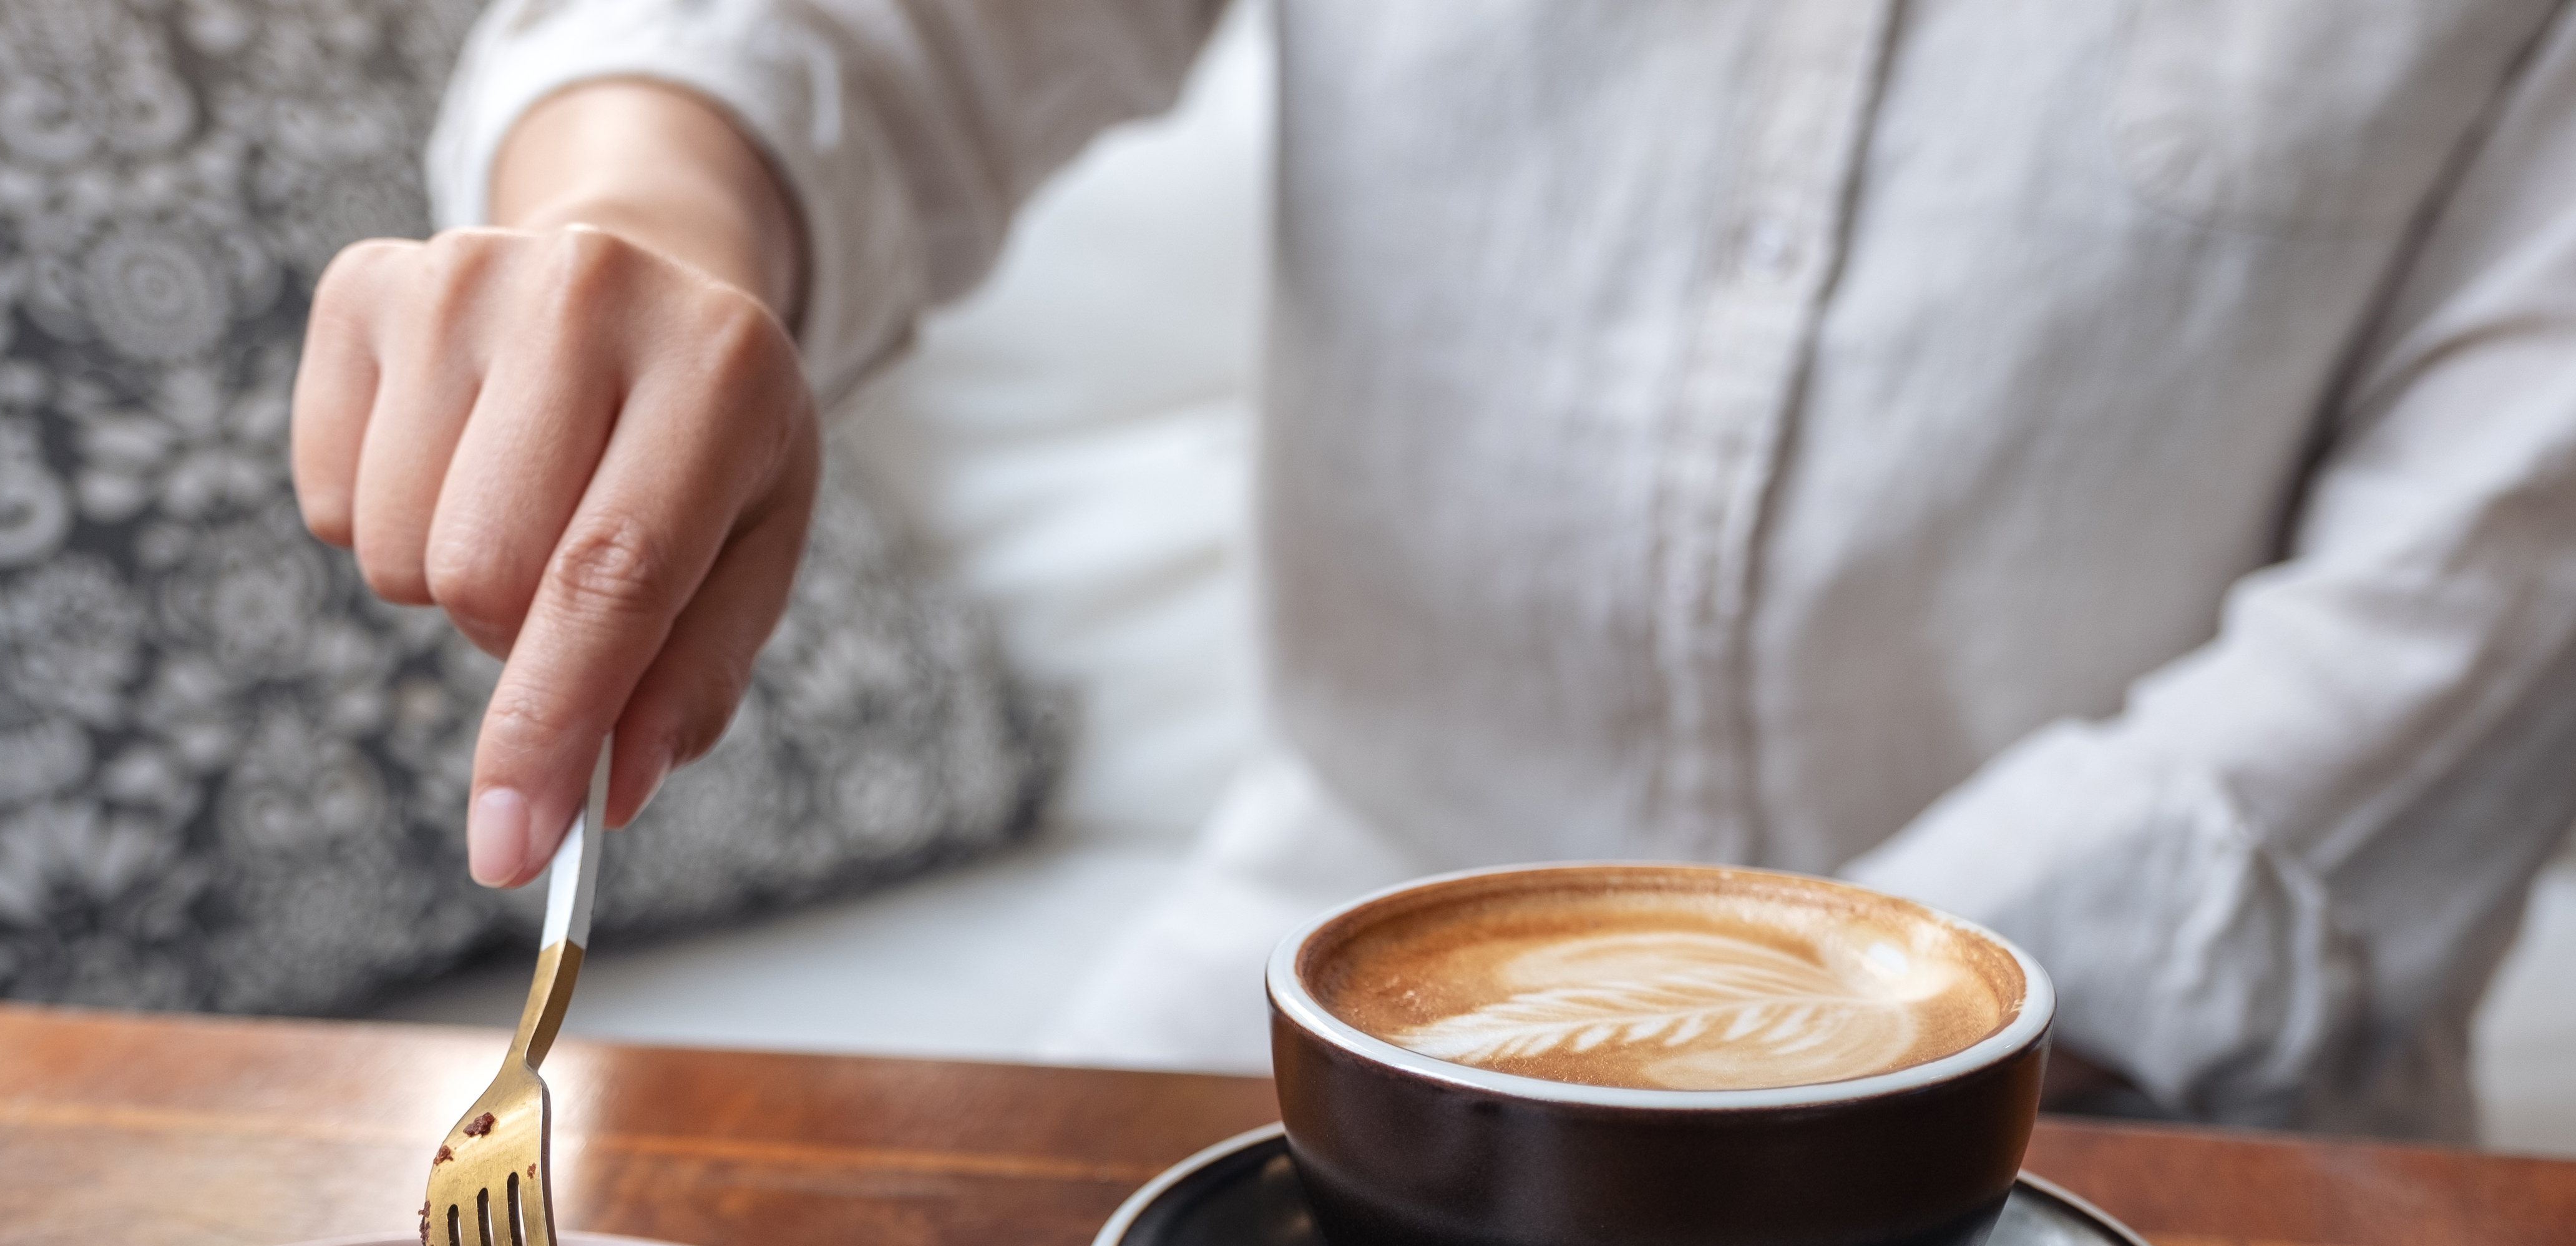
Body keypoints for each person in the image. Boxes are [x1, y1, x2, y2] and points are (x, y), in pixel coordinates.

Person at [291, 0, 2576, 1136]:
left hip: (2142, 1116)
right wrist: (645, 218)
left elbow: (2452, 640)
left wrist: (1764, 1079)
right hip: (1304, 977)